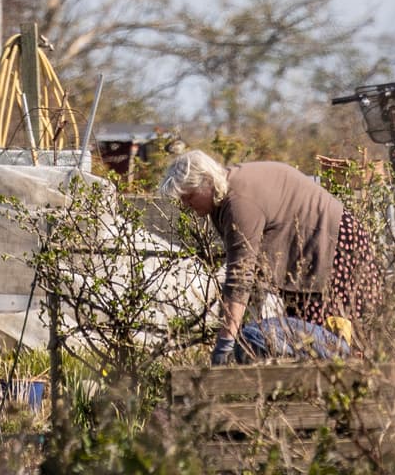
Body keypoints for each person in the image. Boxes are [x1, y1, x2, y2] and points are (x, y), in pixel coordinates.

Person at [163, 147, 383, 356]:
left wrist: (226, 341)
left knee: (327, 336)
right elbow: (250, 270)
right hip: (304, 256)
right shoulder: (221, 200)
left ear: (207, 182)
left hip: (332, 245)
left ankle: (350, 384)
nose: (186, 204)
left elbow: (241, 275)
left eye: (189, 196)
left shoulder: (239, 202)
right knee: (301, 336)